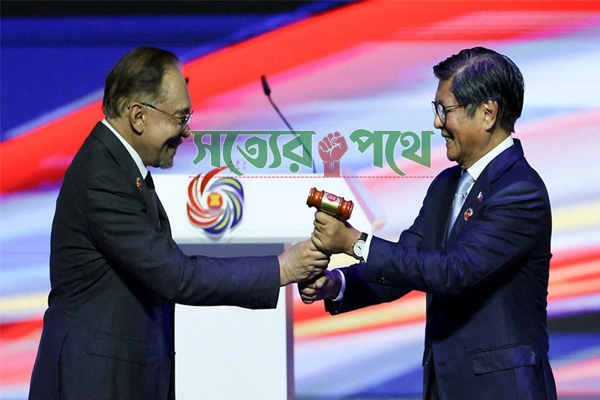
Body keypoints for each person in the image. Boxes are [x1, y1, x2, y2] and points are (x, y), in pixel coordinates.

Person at [28, 46, 329, 400]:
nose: (186, 132)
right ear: (138, 116)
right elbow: (177, 276)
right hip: (94, 382)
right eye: (180, 117)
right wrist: (284, 268)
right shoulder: (102, 176)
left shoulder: (117, 166)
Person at [300, 47, 557, 400]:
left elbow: (453, 271)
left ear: (487, 113)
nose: (437, 123)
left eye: (445, 110)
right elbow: (408, 264)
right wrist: (337, 285)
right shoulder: (446, 184)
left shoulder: (520, 191)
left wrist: (355, 242)